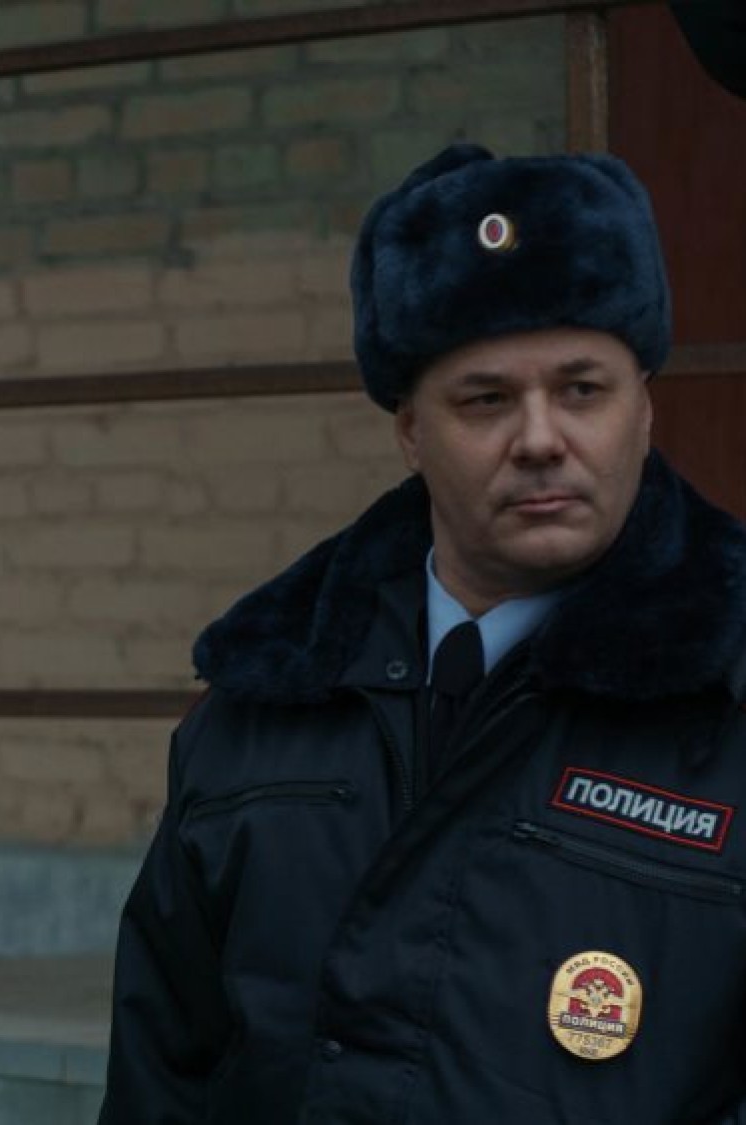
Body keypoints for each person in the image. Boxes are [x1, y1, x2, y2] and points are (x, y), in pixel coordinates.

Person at [99, 142, 746, 1123]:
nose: (540, 439)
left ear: (644, 408)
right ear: (410, 430)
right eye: (487, 399)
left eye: (582, 389)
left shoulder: (724, 694)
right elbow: (163, 1078)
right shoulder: (264, 709)